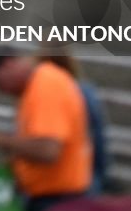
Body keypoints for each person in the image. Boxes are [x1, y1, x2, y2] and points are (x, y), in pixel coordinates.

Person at [0, 48, 91, 211]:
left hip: (56, 202)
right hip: (51, 199)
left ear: (8, 64)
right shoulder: (36, 87)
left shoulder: (45, 86)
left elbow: (47, 150)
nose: (0, 90)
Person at [41, 53, 110, 195]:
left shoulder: (43, 90)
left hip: (56, 180)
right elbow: (98, 137)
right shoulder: (83, 90)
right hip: (82, 174)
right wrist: (101, 173)